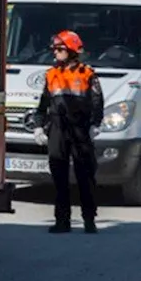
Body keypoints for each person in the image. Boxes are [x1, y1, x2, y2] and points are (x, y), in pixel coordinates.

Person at [30, 30, 104, 234]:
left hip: (80, 130)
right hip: (58, 129)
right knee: (59, 176)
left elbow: (97, 102)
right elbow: (43, 104)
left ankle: (89, 219)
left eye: (60, 49)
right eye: (54, 49)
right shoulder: (51, 74)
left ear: (71, 50)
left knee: (85, 176)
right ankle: (62, 221)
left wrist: (95, 124)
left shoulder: (87, 74)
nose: (55, 53)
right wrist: (38, 125)